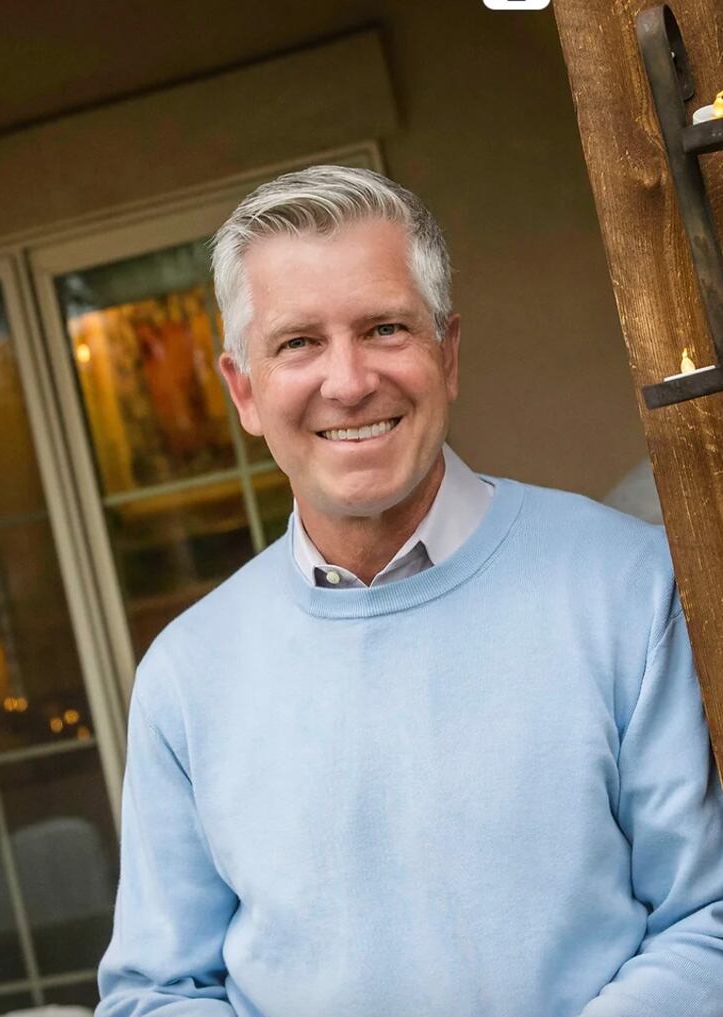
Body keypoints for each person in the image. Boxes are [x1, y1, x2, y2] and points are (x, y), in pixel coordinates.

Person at [96, 165, 723, 1016]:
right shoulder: (184, 675)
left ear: (447, 353)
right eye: (298, 343)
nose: (349, 382)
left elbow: (709, 919)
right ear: (243, 391)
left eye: (385, 328)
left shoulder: (631, 586)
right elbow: (156, 991)